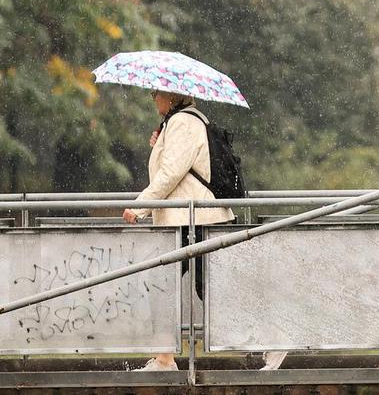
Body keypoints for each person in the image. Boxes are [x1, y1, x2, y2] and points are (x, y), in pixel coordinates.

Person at [122, 89, 287, 372]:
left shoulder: (184, 123)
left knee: (194, 287)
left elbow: (171, 173)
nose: (153, 99)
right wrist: (159, 145)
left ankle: (275, 337)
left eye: (156, 94)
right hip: (191, 220)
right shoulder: (179, 123)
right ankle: (164, 358)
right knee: (177, 285)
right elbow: (176, 168)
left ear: (171, 97)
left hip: (196, 221)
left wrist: (140, 206)